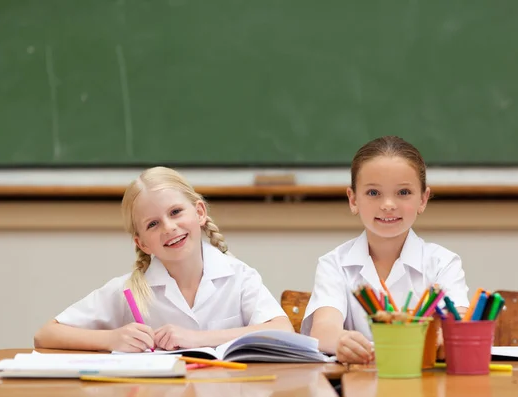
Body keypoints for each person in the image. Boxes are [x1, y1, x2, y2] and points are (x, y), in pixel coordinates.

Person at [34, 166, 292, 352]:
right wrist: (112, 339)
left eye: (176, 212)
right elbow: (45, 334)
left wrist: (198, 338)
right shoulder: (131, 291)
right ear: (142, 243)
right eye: (153, 224)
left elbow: (283, 331)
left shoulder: (239, 276)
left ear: (199, 212)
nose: (169, 227)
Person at [301, 136, 469, 364]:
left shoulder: (443, 263)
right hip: (359, 384)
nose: (388, 204)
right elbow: (323, 331)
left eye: (403, 193)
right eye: (373, 193)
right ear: (353, 200)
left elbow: (456, 323)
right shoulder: (334, 263)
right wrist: (341, 341)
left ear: (423, 199)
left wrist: (446, 335)